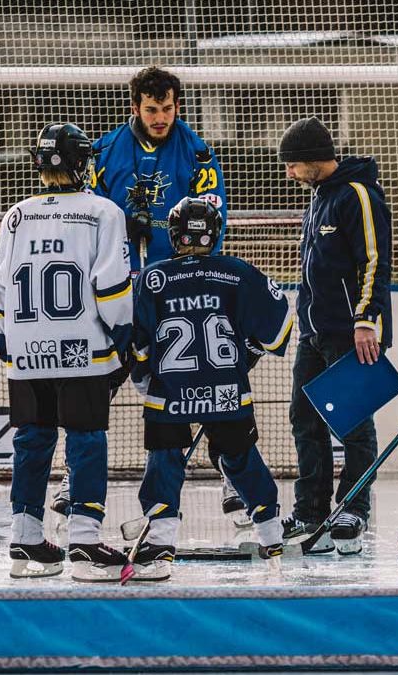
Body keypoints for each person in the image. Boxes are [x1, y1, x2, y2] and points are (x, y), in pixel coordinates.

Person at [52, 66, 243, 523]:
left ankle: (232, 472)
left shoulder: (196, 152)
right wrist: (119, 222)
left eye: (169, 108)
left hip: (177, 287)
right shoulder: (104, 151)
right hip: (117, 287)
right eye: (153, 109)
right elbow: (82, 212)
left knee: (202, 381)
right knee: (99, 381)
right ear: (135, 106)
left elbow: (213, 217)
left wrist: (185, 253)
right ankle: (73, 475)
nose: (162, 117)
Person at [126, 197, 294, 580]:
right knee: (239, 457)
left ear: (173, 234)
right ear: (216, 233)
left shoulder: (153, 278)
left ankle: (161, 540)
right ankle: (270, 531)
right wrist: (246, 351)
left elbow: (135, 344)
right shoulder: (238, 273)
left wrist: (142, 377)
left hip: (169, 393)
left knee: (165, 460)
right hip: (226, 391)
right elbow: (280, 325)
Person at [0, 122, 134, 582]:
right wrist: (125, 337)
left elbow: (1, 285)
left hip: (25, 348)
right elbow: (111, 287)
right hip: (82, 349)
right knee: (86, 439)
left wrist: (4, 336)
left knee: (32, 439)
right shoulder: (103, 212)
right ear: (82, 163)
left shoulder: (15, 214)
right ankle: (85, 541)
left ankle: (25, 535)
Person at [279, 117, 393, 556]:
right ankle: (310, 509)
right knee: (303, 419)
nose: (289, 173)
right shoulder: (319, 199)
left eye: (292, 164)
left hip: (350, 332)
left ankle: (352, 508)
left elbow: (374, 260)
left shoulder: (357, 195)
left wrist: (365, 318)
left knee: (353, 424)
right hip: (315, 332)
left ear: (312, 159)